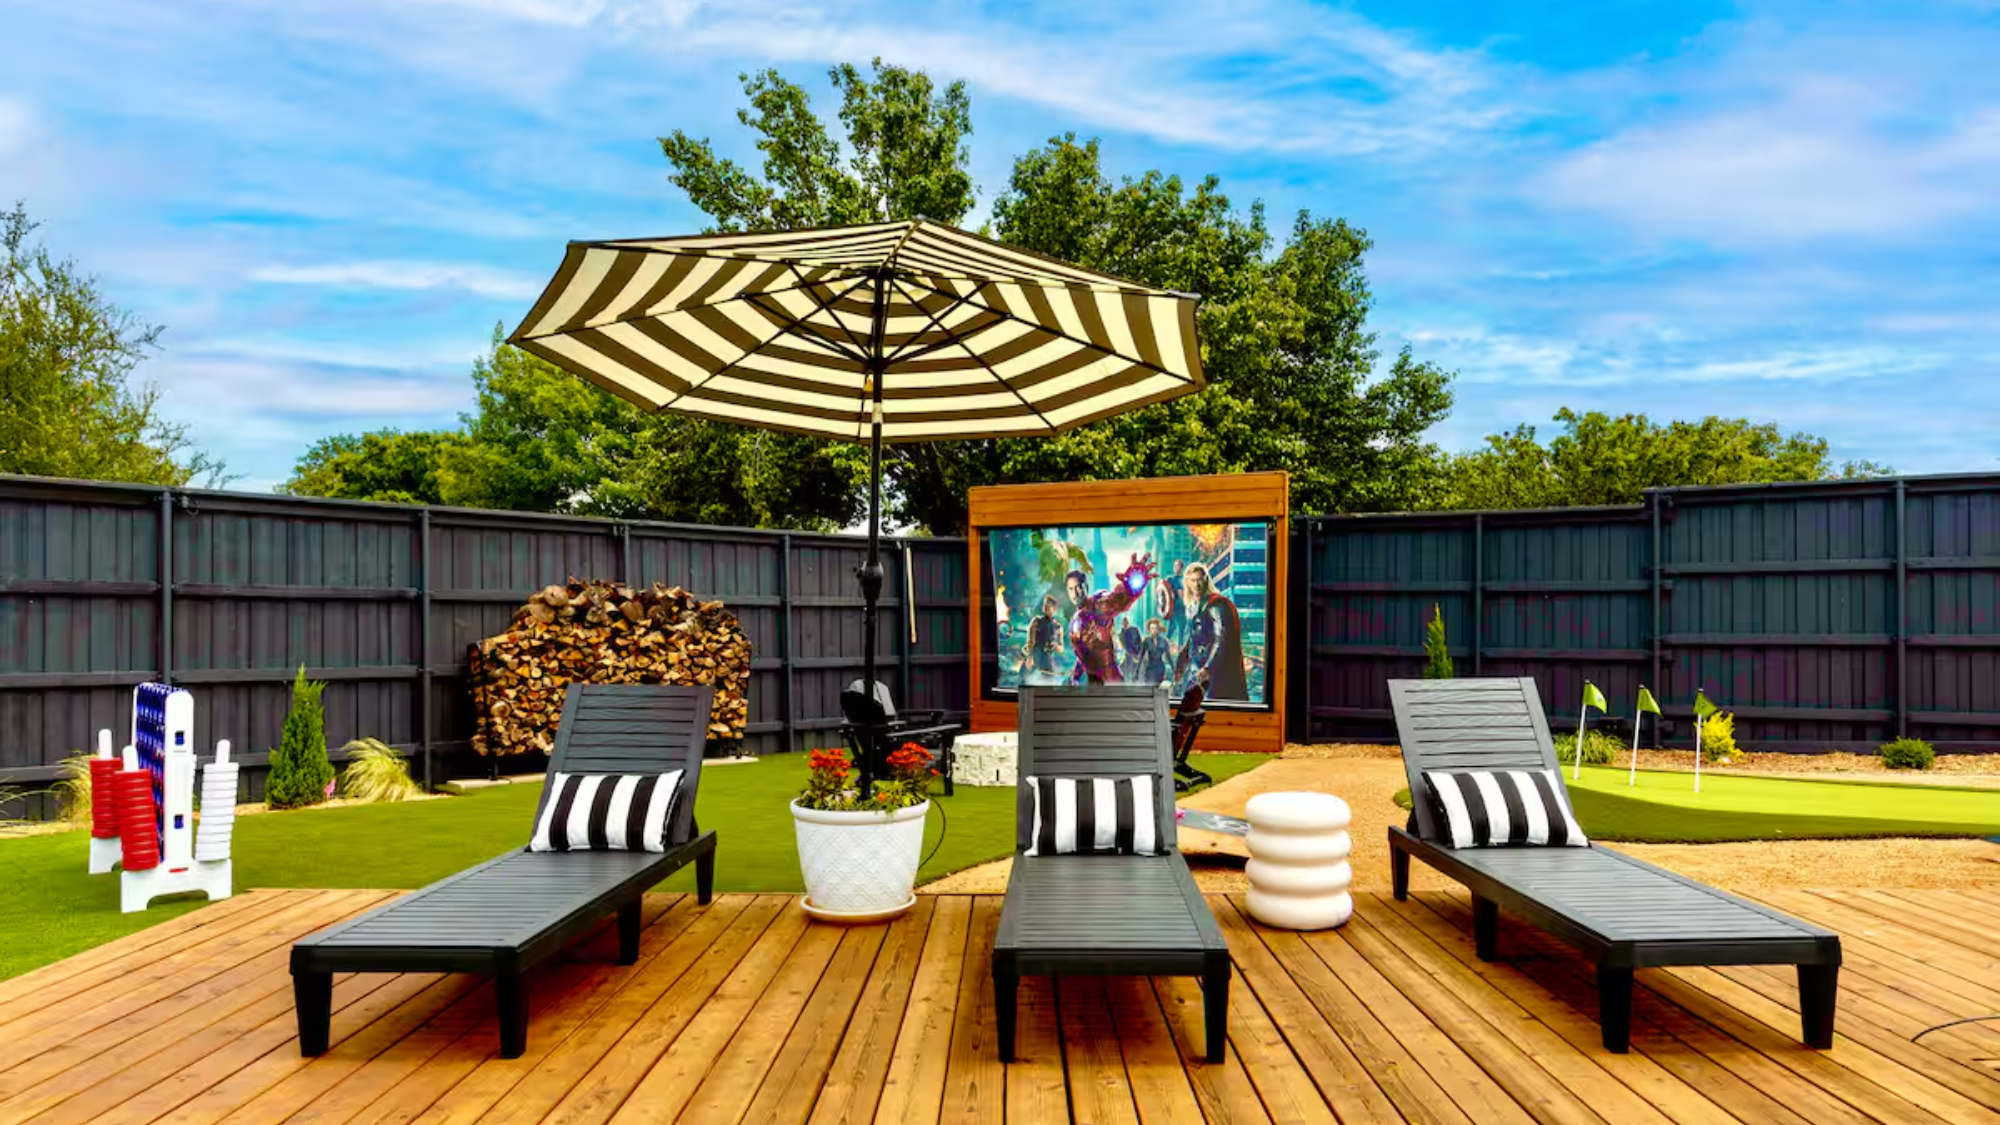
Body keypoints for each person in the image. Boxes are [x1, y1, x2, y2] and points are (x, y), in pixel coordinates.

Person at [1066, 554, 1157, 684]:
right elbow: (1085, 655)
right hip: (1093, 684)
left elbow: (1116, 601)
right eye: (1071, 589)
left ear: (1086, 586)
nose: (1075, 593)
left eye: (1078, 587)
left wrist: (1130, 587)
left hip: (1110, 682)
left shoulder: (1097, 605)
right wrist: (1076, 675)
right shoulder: (1075, 621)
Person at [1174, 562, 1248, 700]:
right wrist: (1180, 664)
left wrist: (1208, 667)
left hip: (1214, 672)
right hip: (1195, 669)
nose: (1197, 584)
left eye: (1200, 580)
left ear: (1206, 580)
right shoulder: (1191, 607)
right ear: (1187, 583)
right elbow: (1192, 638)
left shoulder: (1217, 604)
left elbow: (1221, 639)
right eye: (1193, 580)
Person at [1024, 595, 1064, 680]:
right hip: (1036, 656)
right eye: (1044, 605)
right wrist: (1029, 657)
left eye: (1048, 606)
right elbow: (1030, 641)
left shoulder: (1058, 627)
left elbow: (1061, 649)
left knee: (1047, 682)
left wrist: (1056, 646)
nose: (1045, 608)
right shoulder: (1036, 621)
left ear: (1054, 609)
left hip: (1048, 660)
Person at [1138, 617, 1173, 685]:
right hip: (1150, 668)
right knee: (1149, 688)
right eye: (1151, 628)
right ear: (1149, 629)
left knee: (1158, 689)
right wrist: (1136, 672)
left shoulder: (1164, 641)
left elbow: (1169, 657)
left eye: (1155, 628)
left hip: (1160, 668)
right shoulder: (1146, 640)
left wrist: (1174, 670)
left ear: (1158, 629)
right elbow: (1141, 657)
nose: (1153, 630)